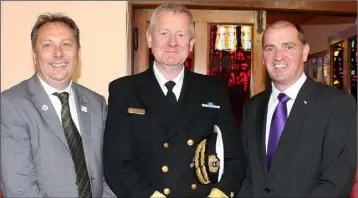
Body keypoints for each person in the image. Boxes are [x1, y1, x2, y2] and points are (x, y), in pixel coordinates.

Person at [103, 3, 246, 198]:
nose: (173, 42)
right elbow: (115, 164)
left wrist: (219, 194)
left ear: (192, 43)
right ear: (149, 38)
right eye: (164, 33)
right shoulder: (124, 91)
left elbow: (234, 157)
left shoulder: (213, 90)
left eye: (181, 34)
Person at [1, 13, 115, 197]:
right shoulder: (11, 104)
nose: (58, 53)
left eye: (66, 44)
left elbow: (111, 172)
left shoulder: (97, 103)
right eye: (48, 45)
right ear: (34, 54)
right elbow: (19, 188)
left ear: (78, 52)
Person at [238, 20, 357, 197]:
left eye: (288, 47)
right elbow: (246, 174)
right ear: (262, 57)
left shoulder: (337, 104)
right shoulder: (252, 107)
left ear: (305, 52)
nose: (278, 56)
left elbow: (336, 181)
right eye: (270, 48)